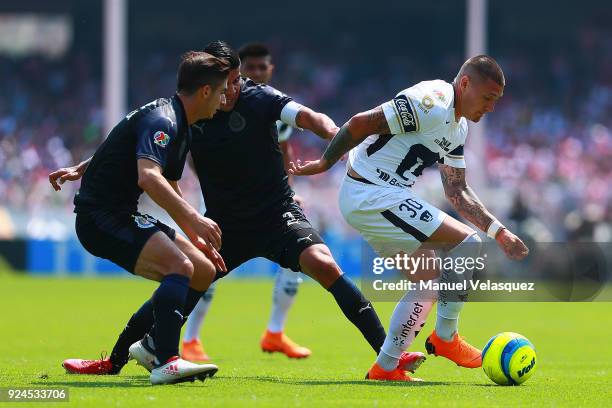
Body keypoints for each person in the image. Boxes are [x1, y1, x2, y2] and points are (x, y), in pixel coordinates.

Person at [50, 41, 426, 378]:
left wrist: (340, 142)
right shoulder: (188, 115)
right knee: (187, 275)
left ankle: (386, 356)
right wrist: (85, 167)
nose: (230, 91)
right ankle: (125, 357)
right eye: (225, 83)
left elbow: (311, 118)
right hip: (225, 223)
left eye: (235, 82)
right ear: (209, 86)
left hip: (275, 214)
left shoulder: (259, 98)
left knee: (324, 264)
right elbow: (138, 143)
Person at [289, 55, 530, 381]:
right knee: (468, 245)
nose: (490, 108)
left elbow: (456, 191)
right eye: (487, 98)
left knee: (429, 281)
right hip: (371, 192)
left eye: (496, 101)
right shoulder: (431, 102)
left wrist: (499, 231)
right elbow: (360, 123)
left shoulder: (457, 128)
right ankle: (446, 338)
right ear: (465, 84)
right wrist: (324, 162)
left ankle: (385, 367)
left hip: (378, 196)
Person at [53, 52, 230, 385]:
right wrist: (194, 219)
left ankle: (130, 354)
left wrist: (195, 234)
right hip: (100, 218)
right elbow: (148, 177)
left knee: (202, 271)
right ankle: (165, 360)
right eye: (221, 91)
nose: (223, 100)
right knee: (180, 269)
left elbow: (155, 170)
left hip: (122, 213)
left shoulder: (179, 124)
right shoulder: (165, 119)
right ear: (205, 91)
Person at [181, 43, 311, 362]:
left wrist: (287, 189)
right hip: (220, 196)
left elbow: (283, 150)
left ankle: (275, 332)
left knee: (299, 260)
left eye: (260, 69)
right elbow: (191, 151)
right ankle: (190, 339)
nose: (254, 74)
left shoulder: (271, 103)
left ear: (270, 70)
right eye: (248, 69)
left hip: (267, 199)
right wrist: (211, 183)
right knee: (207, 263)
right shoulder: (216, 101)